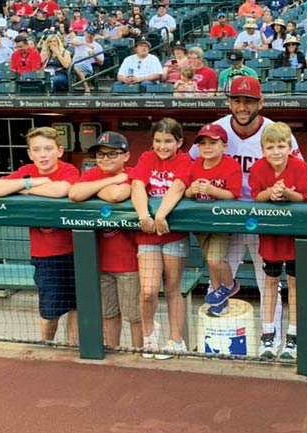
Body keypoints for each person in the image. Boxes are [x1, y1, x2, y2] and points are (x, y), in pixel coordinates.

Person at [188, 76, 307, 355]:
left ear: (260, 103)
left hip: (264, 217)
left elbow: (301, 169)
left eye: (248, 101)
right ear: (230, 102)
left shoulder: (274, 133)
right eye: (237, 100)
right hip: (226, 216)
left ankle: (273, 342)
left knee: (269, 283)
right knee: (216, 277)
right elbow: (189, 163)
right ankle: (214, 339)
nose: (242, 107)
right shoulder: (216, 131)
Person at [0, 127, 79, 343]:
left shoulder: (68, 169)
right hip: (46, 256)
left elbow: (60, 191)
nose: (43, 154)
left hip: (75, 251)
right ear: (30, 153)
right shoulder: (27, 171)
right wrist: (31, 182)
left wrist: (21, 190)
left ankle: (74, 350)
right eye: (37, 150)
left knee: (77, 306)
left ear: (59, 150)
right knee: (49, 312)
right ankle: (46, 348)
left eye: (48, 149)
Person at [249, 122, 307, 359]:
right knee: (270, 283)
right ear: (263, 150)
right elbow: (257, 196)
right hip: (271, 236)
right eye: (270, 147)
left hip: (296, 236)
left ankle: (293, 337)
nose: (276, 151)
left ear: (290, 147)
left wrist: (288, 193)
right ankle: (268, 335)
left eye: (281, 146)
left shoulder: (301, 167)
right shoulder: (258, 168)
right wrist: (271, 192)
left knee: (295, 284)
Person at [68, 132, 143, 349]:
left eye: (112, 154)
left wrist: (95, 191)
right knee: (109, 313)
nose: (106, 159)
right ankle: (115, 351)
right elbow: (75, 193)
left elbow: (118, 195)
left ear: (126, 155)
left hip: (129, 262)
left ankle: (138, 353)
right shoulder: (92, 174)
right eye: (101, 154)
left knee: (134, 316)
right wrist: (109, 181)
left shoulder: (132, 173)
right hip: (100, 262)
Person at [129, 118, 192, 359]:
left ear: (179, 142)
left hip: (172, 233)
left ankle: (176, 340)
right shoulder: (147, 157)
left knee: (173, 288)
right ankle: (149, 337)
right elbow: (137, 186)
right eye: (157, 140)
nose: (162, 146)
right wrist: (145, 216)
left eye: (168, 141)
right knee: (148, 290)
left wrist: (161, 216)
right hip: (148, 234)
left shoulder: (185, 160)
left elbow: (177, 188)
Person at [185, 123, 242, 317]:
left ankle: (230, 285)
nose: (207, 147)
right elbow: (186, 192)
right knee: (210, 262)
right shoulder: (195, 165)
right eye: (203, 143)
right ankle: (220, 299)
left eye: (212, 142)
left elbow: (233, 195)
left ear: (224, 146)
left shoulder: (231, 165)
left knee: (215, 259)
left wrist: (212, 190)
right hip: (201, 223)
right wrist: (191, 191)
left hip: (222, 222)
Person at [71, 27, 103, 93]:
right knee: (73, 66)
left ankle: (86, 88)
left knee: (76, 68)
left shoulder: (98, 46)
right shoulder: (80, 38)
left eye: (91, 34)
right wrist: (85, 44)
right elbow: (73, 42)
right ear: (85, 33)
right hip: (75, 62)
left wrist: (94, 56)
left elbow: (101, 62)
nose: (89, 35)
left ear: (94, 35)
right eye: (88, 33)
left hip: (87, 65)